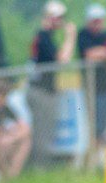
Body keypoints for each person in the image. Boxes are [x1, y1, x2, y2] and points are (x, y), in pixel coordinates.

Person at [28, 1, 77, 165]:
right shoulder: (43, 37)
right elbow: (63, 59)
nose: (60, 22)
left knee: (46, 130)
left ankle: (43, 165)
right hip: (41, 90)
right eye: (58, 18)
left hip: (43, 89)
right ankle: (41, 167)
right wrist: (70, 37)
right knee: (43, 132)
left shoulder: (45, 37)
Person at [77, 4, 106, 152]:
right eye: (94, 20)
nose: (97, 24)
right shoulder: (83, 34)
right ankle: (91, 153)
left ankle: (100, 153)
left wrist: (104, 53)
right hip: (91, 87)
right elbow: (89, 54)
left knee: (105, 122)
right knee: (92, 122)